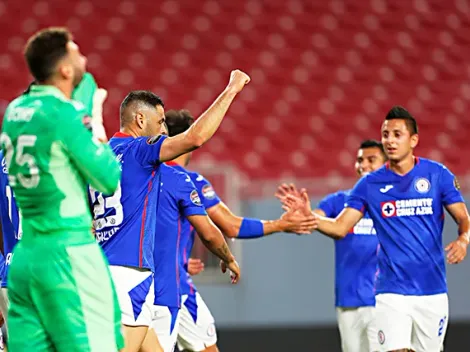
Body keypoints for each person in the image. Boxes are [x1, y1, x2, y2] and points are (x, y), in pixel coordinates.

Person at [281, 106, 469, 352]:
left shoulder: (437, 175)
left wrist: (463, 240)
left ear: (413, 140)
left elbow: (464, 219)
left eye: (397, 134)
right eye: (385, 134)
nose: (389, 140)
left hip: (432, 291)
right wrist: (310, 217)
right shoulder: (369, 184)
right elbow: (340, 227)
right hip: (391, 291)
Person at [90, 70, 250, 352]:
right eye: (160, 121)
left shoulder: (101, 155)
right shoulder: (140, 150)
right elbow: (195, 137)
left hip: (102, 271)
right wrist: (232, 89)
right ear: (141, 120)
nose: (163, 129)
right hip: (130, 274)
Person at [1, 27, 123, 351]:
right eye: (76, 51)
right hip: (69, 253)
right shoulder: (65, 114)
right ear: (66, 69)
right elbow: (109, 177)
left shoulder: (13, 112)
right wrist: (95, 119)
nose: (83, 57)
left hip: (25, 260)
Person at [164, 109, 317, 352]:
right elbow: (230, 226)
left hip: (139, 282)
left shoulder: (146, 177)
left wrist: (179, 259)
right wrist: (281, 224)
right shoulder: (188, 180)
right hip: (173, 286)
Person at [276, 140, 387, 352]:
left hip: (383, 300)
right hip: (349, 301)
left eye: (371, 160)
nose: (363, 165)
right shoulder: (340, 201)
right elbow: (313, 221)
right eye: (360, 160)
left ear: (385, 165)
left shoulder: (392, 203)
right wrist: (301, 215)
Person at [141, 160, 240, 352]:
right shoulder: (181, 179)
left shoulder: (124, 173)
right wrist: (228, 258)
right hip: (168, 288)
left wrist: (181, 262)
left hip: (129, 282)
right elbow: (228, 228)